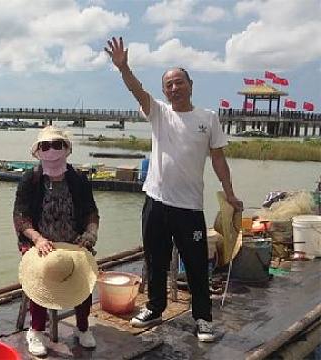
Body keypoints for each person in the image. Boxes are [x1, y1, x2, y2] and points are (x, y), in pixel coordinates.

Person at [104, 37, 243, 343]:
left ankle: (203, 318)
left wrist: (230, 193)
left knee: (195, 264)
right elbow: (137, 90)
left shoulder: (208, 119)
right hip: (156, 201)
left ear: (190, 85)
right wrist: (123, 67)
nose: (174, 88)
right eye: (168, 85)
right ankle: (154, 307)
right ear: (165, 90)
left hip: (190, 207)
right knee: (155, 259)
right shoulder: (159, 113)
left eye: (179, 82)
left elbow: (218, 159)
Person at [13, 126, 100, 356]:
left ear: (67, 149)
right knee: (42, 271)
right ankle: (36, 330)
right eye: (45, 146)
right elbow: (20, 217)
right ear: (38, 152)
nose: (51, 150)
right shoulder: (29, 180)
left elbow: (92, 212)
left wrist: (90, 235)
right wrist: (38, 239)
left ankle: (82, 327)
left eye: (57, 145)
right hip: (38, 243)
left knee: (85, 273)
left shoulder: (79, 180)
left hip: (74, 241)